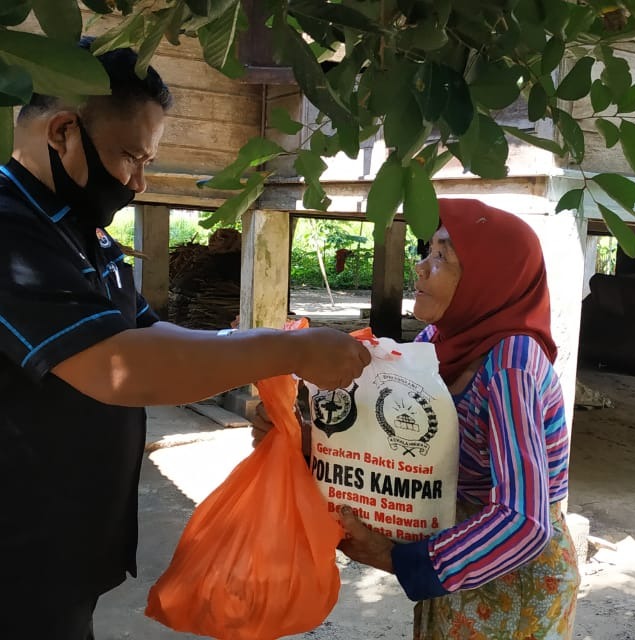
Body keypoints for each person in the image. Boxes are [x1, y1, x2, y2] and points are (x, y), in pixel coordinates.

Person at [0, 38, 369, 640]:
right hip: (15, 556)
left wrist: (262, 343)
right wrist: (290, 351)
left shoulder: (82, 236)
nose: (139, 183)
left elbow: (148, 332)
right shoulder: (10, 231)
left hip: (62, 546)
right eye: (130, 158)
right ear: (64, 132)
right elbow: (116, 365)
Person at [337, 198, 581, 639]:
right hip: (455, 553)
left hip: (513, 575)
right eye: (427, 252)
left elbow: (523, 521)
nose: (421, 268)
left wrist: (396, 559)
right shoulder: (440, 342)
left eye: (442, 257)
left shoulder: (511, 365)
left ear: (488, 277)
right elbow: (388, 431)